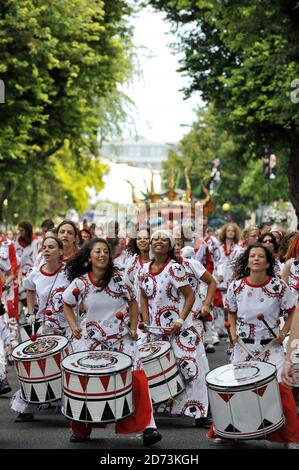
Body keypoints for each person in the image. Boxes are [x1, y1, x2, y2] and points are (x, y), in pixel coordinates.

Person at [63, 238, 162, 445]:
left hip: (122, 340)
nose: (102, 255)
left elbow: (133, 303)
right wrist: (74, 326)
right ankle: (82, 429)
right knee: (85, 384)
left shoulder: (120, 279)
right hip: (92, 343)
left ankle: (149, 427)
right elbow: (67, 303)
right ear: (88, 258)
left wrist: (134, 327)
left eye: (105, 252)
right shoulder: (80, 283)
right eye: (97, 252)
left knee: (138, 380)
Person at [207, 243, 299, 446]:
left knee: (281, 390)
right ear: (247, 261)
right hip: (243, 347)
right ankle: (226, 431)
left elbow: (292, 309)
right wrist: (232, 332)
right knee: (237, 391)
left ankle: (292, 437)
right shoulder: (236, 286)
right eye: (252, 256)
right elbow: (230, 309)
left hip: (271, 347)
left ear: (267, 262)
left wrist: (283, 333)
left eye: (260, 256)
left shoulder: (278, 287)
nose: (256, 259)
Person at [138, 229, 210, 426]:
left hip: (181, 329)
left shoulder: (174, 268)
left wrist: (180, 320)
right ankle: (162, 408)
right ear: (151, 245)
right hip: (154, 330)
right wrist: (145, 320)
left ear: (170, 246)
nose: (158, 242)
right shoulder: (143, 270)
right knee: (157, 369)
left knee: (189, 366)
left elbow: (190, 296)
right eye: (155, 239)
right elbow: (143, 297)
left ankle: (200, 412)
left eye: (163, 239)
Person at [11, 236, 70, 422]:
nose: (46, 250)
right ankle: (26, 406)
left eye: (51, 247)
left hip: (67, 328)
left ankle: (73, 409)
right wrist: (30, 313)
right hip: (43, 328)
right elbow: (28, 289)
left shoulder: (69, 272)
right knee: (37, 368)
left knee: (69, 369)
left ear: (60, 251)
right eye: (44, 247)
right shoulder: (36, 273)